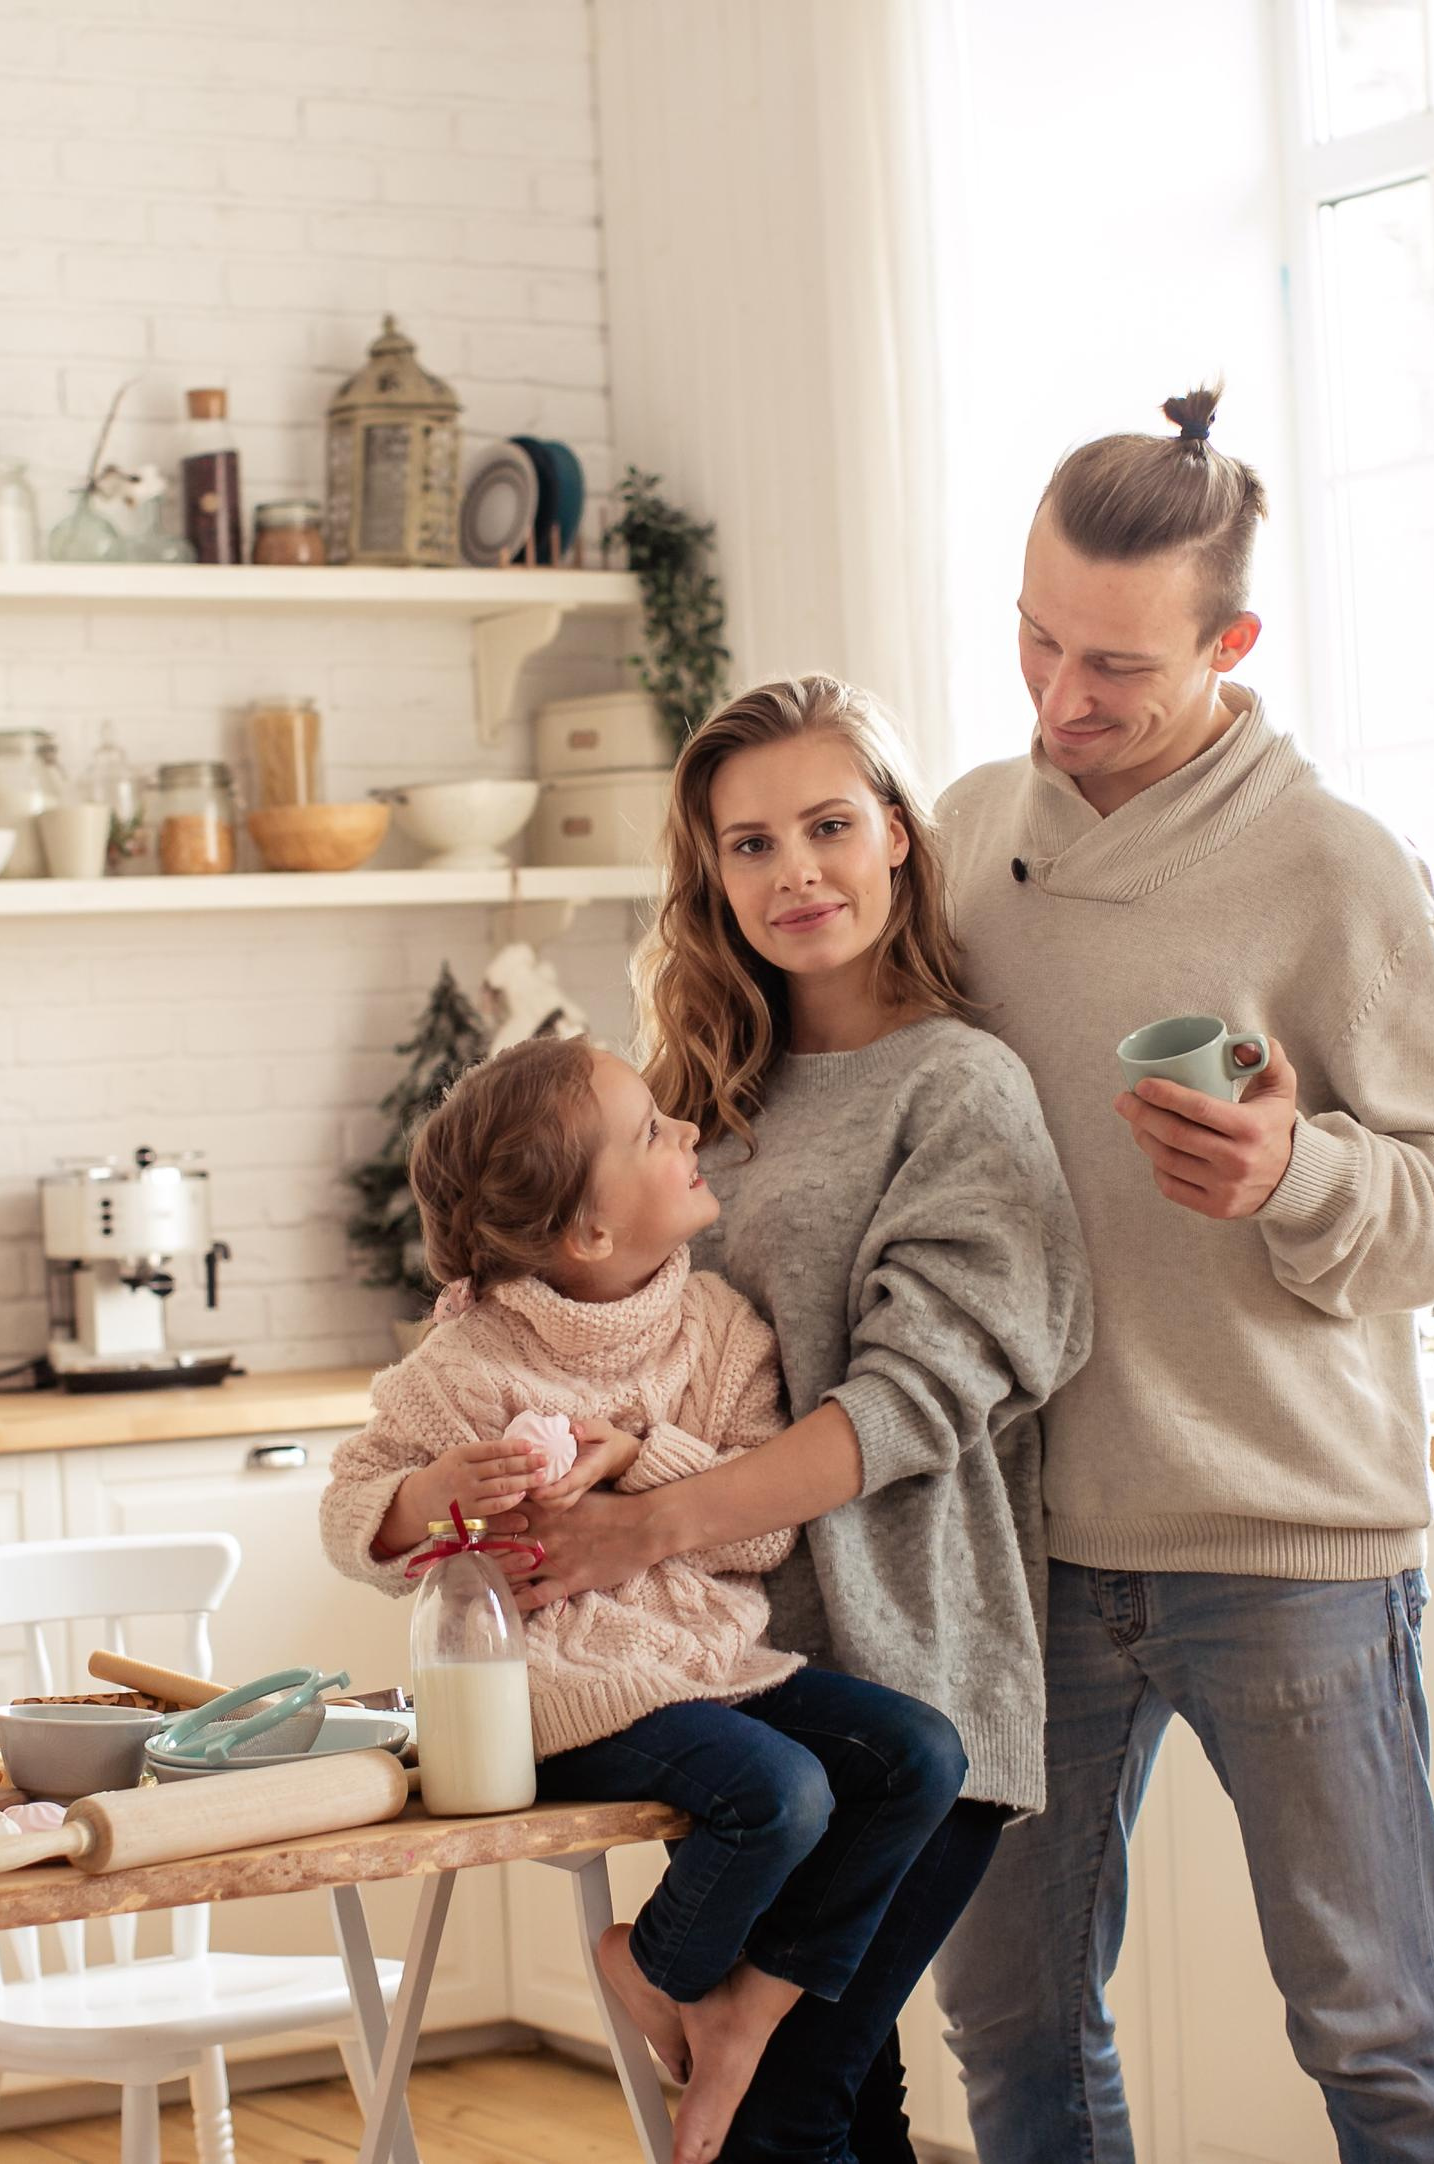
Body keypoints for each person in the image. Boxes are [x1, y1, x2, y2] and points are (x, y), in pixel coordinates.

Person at [926, 384, 1434, 2161]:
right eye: (1036, 637)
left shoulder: (1333, 865)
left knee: (1382, 2034)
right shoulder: (964, 834)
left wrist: (1293, 1167)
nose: (1058, 700)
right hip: (1028, 1546)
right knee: (1012, 2025)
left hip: (1288, 1543)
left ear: (1231, 641)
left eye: (1114, 665)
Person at [510, 676, 1093, 2163]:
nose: (795, 874)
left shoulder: (962, 1087)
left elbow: (910, 1404)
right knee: (834, 2105)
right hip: (741, 1684)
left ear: (898, 837)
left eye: (830, 827)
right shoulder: (707, 1089)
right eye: (749, 843)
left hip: (916, 1681)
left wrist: (637, 1526)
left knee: (791, 2109)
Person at [320, 1033, 971, 2164]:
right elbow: (347, 1514)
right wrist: (425, 1495)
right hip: (554, 1696)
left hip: (711, 1669)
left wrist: (638, 1454)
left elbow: (763, 1528)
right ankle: (669, 1970)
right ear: (588, 1231)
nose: (685, 1132)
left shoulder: (719, 1330)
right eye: (649, 1131)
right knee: (780, 1794)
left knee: (918, 1753)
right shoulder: (465, 1362)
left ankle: (729, 1997)